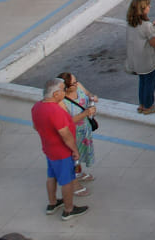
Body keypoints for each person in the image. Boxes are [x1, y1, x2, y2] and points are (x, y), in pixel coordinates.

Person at [31, 78, 86, 220]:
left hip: (49, 149)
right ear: (55, 94)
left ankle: (52, 203)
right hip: (62, 152)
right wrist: (75, 150)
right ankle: (69, 209)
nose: (64, 92)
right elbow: (65, 134)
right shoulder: (55, 111)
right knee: (67, 181)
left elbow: (36, 126)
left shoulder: (37, 106)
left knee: (51, 176)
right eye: (63, 89)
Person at [124, 0, 155, 115]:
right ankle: (148, 106)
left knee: (142, 83)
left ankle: (142, 105)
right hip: (148, 61)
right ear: (142, 9)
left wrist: (152, 26)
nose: (149, 7)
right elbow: (154, 42)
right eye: (147, 5)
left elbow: (143, 34)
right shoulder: (146, 25)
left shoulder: (131, 23)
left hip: (137, 61)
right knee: (150, 84)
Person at [59, 71, 98, 182]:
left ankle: (78, 173)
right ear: (65, 87)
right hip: (73, 133)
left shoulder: (78, 85)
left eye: (76, 81)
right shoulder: (61, 101)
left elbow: (88, 94)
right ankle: (74, 179)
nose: (76, 85)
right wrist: (85, 113)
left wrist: (92, 98)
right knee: (74, 155)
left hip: (85, 129)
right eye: (73, 84)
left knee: (80, 154)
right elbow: (66, 123)